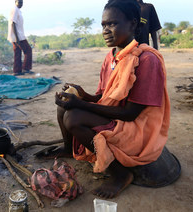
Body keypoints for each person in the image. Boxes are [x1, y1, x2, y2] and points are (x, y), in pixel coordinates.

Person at [52, 0, 179, 199]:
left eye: (112, 24)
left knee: (73, 118)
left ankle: (121, 174)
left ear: (133, 24)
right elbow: (103, 98)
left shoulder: (146, 60)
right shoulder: (111, 56)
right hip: (117, 117)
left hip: (137, 128)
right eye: (103, 25)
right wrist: (83, 95)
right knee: (63, 109)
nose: (106, 30)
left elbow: (131, 113)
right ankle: (69, 148)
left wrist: (80, 104)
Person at [7, 0, 33, 76]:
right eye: (19, 2)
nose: (21, 4)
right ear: (15, 2)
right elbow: (13, 23)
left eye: (22, 2)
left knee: (17, 53)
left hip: (16, 36)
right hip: (18, 36)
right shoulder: (15, 9)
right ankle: (26, 69)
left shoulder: (17, 10)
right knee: (28, 50)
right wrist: (17, 38)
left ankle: (17, 71)